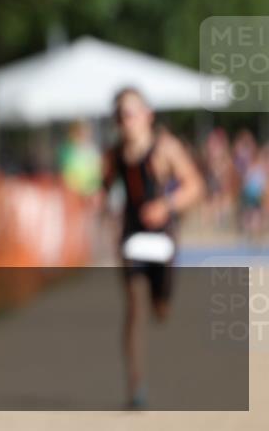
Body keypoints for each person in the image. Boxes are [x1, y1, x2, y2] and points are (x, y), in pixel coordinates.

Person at [99, 87, 204, 410]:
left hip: (162, 240)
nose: (125, 121)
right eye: (119, 115)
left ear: (148, 115)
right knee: (135, 309)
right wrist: (101, 207)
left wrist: (166, 205)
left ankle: (163, 302)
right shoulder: (114, 155)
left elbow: (195, 186)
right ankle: (136, 385)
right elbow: (103, 190)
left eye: (130, 114)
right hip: (131, 239)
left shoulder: (166, 148)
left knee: (160, 308)